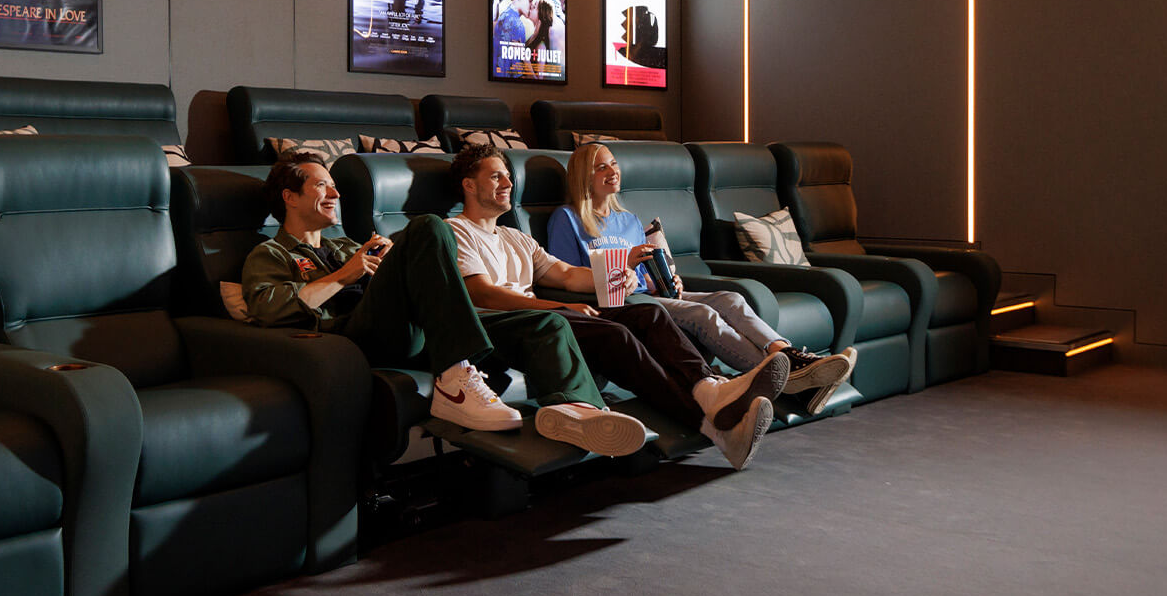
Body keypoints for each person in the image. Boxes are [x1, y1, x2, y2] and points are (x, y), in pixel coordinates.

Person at [244, 151, 651, 457]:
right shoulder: (269, 254)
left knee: (547, 323)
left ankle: (577, 412)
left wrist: (390, 265)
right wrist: (345, 275)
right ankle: (455, 379)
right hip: (353, 336)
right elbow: (268, 309)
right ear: (289, 197)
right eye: (321, 186)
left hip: (411, 324)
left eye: (334, 184)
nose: (335, 193)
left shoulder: (348, 245)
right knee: (428, 226)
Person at [445, 143, 788, 469]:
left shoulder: (515, 238)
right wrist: (559, 309)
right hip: (513, 325)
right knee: (618, 335)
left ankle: (709, 389)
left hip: (545, 317)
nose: (508, 182)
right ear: (468, 186)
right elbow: (482, 294)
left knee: (649, 312)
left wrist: (614, 275)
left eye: (507, 175)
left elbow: (565, 274)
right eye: (496, 177)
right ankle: (716, 428)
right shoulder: (456, 231)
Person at [547, 143, 858, 415]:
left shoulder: (627, 219)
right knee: (704, 314)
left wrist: (667, 282)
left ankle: (787, 355)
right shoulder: (566, 219)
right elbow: (569, 277)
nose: (612, 171)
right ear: (583, 177)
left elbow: (642, 276)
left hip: (650, 296)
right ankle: (789, 379)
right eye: (601, 167)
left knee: (731, 298)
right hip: (623, 306)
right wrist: (624, 265)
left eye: (614, 164)